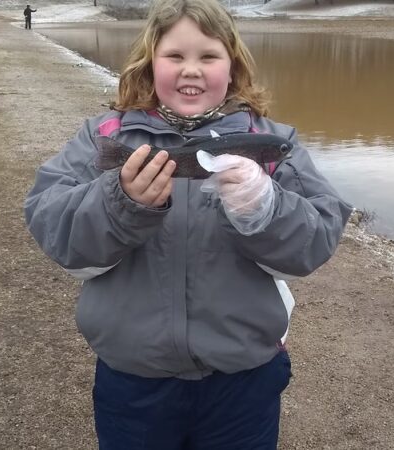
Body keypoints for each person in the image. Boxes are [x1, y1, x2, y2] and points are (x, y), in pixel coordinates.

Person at [24, 0, 352, 447]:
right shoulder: (105, 135)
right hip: (132, 379)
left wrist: (265, 207)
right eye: (175, 56)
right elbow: (52, 226)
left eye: (208, 57)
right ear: (149, 62)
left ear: (233, 66)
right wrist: (119, 200)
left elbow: (316, 241)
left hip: (243, 379)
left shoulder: (272, 142)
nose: (191, 70)